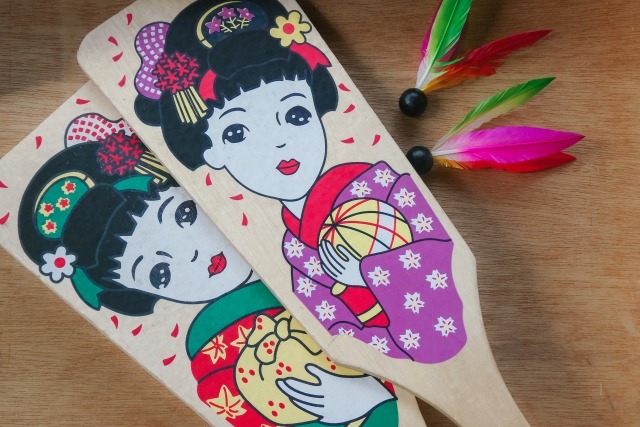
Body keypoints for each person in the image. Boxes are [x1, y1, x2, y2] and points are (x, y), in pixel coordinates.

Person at [136, 0, 466, 364]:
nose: (279, 143)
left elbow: (446, 267)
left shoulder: (386, 186)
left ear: (318, 109)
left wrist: (371, 274)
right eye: (237, 132)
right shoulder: (294, 255)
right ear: (211, 152)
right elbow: (346, 338)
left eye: (295, 114)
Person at [17, 114, 398, 426]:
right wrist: (361, 408)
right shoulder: (214, 351)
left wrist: (366, 280)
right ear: (142, 296)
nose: (194, 253)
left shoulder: (304, 251)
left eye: (184, 215)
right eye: (160, 273)